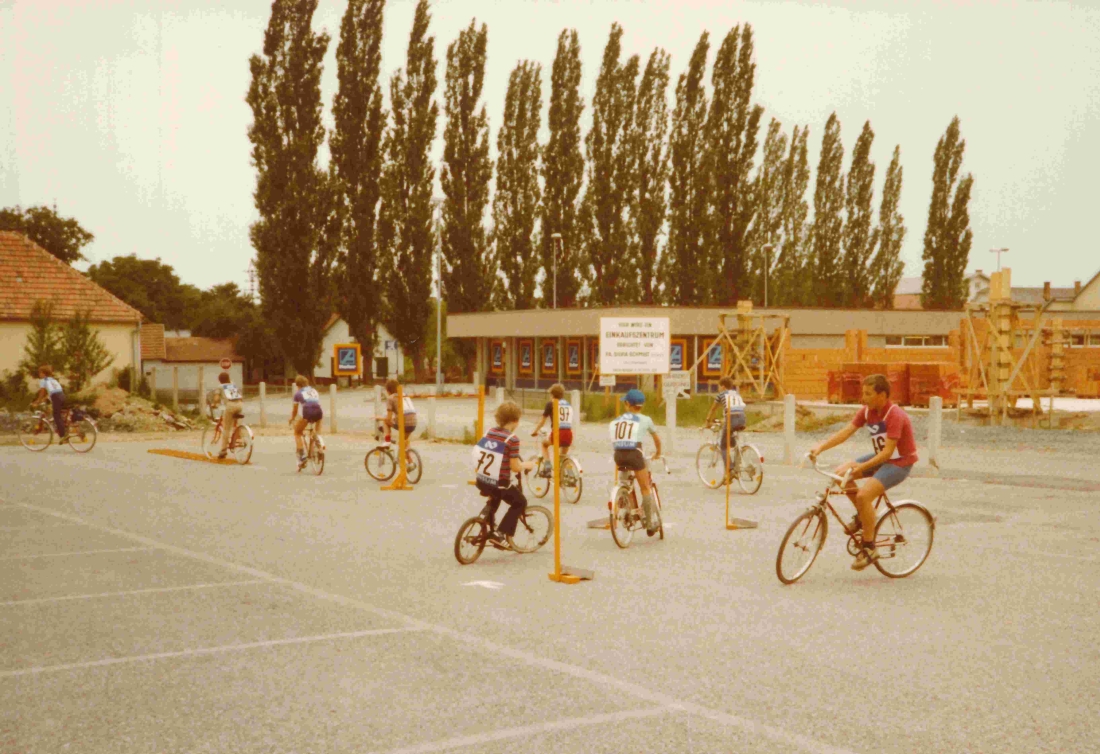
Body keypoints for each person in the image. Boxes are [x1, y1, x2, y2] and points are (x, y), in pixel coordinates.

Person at [808, 374, 919, 571]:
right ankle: (863, 516)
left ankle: (869, 547)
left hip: (899, 462)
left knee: (863, 495)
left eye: (868, 394)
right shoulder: (868, 412)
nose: (863, 397)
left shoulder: (894, 415)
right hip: (880, 456)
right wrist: (820, 447)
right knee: (842, 474)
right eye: (863, 393)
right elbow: (845, 432)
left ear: (882, 395)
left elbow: (887, 453)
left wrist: (860, 466)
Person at [472, 401, 536, 543]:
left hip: (482, 480)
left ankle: (485, 520)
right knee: (520, 502)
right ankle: (500, 533)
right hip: (499, 483)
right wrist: (527, 465)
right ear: (515, 421)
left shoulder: (489, 432)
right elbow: (515, 467)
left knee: (495, 496)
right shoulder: (512, 439)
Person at [609, 388, 663, 536]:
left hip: (619, 454)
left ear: (627, 404)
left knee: (624, 482)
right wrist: (658, 453)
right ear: (641, 405)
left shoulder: (616, 420)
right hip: (635, 454)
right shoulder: (646, 419)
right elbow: (656, 439)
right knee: (645, 488)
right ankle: (650, 524)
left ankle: (624, 503)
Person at [703, 376, 747, 480]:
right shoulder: (736, 393)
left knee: (723, 446)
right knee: (732, 442)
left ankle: (730, 469)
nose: (718, 388)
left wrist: (708, 420)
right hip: (742, 418)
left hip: (731, 418)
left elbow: (713, 409)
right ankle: (737, 461)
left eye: (719, 386)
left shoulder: (721, 395)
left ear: (722, 386)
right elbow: (736, 408)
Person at [530, 383, 573, 476]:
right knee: (563, 456)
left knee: (544, 445)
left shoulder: (551, 404)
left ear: (552, 394)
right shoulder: (568, 404)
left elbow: (542, 421)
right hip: (568, 433)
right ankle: (571, 475)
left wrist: (535, 431)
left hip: (558, 433)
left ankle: (548, 468)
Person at [208, 371, 245, 459]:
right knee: (236, 425)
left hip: (230, 406)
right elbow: (240, 396)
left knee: (226, 428)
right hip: (239, 405)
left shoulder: (220, 387)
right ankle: (239, 439)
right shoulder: (232, 385)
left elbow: (216, 398)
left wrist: (214, 404)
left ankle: (223, 451)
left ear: (220, 380)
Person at [289, 375, 323, 470]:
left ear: (297, 385)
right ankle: (319, 447)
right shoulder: (314, 390)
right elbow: (315, 403)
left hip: (308, 412)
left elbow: (295, 411)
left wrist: (292, 419)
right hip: (319, 411)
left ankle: (302, 456)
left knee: (297, 432)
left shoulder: (298, 393)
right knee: (316, 431)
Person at [31, 365, 67, 441]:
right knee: (59, 415)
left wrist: (37, 402)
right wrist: (44, 400)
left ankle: (63, 436)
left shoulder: (43, 380)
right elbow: (51, 393)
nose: (39, 374)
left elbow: (42, 392)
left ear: (44, 373)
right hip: (62, 396)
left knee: (56, 415)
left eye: (40, 373)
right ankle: (64, 428)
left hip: (56, 398)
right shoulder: (53, 380)